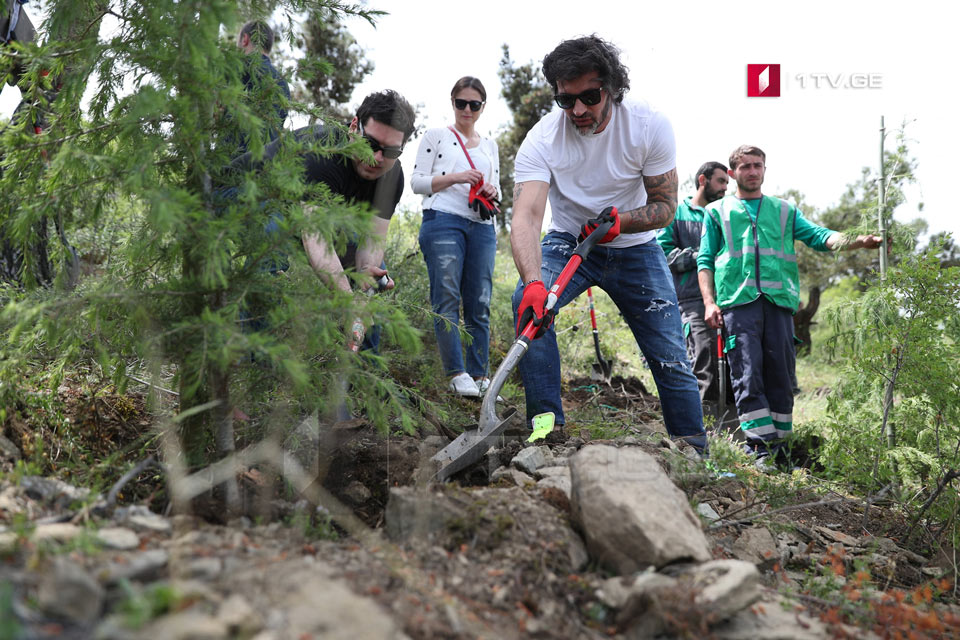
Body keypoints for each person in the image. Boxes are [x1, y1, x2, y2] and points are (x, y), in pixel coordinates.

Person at [509, 35, 706, 451]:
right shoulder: (542, 139)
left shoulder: (649, 125)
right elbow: (527, 215)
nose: (578, 110)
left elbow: (666, 205)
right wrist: (532, 281)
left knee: (670, 354)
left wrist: (625, 222)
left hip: (637, 246)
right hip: (569, 241)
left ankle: (694, 452)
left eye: (590, 96)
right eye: (566, 100)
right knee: (530, 306)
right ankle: (546, 432)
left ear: (612, 88)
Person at [697, 145, 882, 462]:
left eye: (758, 165)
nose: (753, 171)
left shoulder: (784, 211)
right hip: (738, 306)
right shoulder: (717, 213)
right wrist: (709, 303)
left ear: (765, 169)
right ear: (732, 173)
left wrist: (858, 241)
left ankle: (780, 450)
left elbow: (820, 236)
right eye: (745, 167)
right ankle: (759, 449)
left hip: (780, 306)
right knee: (748, 376)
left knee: (781, 379)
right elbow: (705, 261)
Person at [230, 89, 416, 339]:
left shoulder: (392, 178)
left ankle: (361, 373)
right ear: (353, 127)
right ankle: (253, 358)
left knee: (374, 283)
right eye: (370, 144)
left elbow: (372, 240)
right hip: (240, 191)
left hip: (301, 213)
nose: (376, 158)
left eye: (391, 152)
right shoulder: (323, 152)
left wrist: (364, 279)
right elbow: (316, 238)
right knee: (272, 237)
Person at [410, 77, 501, 398]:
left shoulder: (490, 146)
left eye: (474, 104)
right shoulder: (436, 136)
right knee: (447, 296)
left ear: (482, 108)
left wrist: (490, 188)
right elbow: (417, 182)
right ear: (452, 103)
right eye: (461, 103)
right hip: (443, 221)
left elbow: (497, 190)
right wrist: (458, 177)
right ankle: (456, 372)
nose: (467, 109)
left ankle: (480, 375)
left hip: (481, 227)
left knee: (480, 301)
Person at [657, 162, 729, 416]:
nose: (725, 188)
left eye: (727, 184)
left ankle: (731, 430)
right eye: (721, 182)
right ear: (703, 180)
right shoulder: (677, 214)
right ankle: (704, 429)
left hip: (727, 299)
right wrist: (704, 258)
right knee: (703, 359)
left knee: (732, 364)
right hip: (690, 300)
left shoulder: (724, 214)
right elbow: (663, 254)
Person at [232, 20, 291, 152]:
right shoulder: (283, 84)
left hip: (232, 161)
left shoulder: (236, 69)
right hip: (266, 165)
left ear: (245, 40)